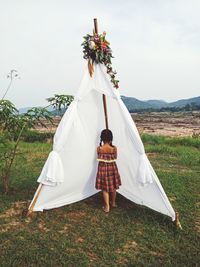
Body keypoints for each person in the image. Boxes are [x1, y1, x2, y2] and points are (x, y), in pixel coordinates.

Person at [95, 129, 122, 213]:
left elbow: (100, 157)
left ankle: (107, 206)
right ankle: (113, 202)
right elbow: (115, 157)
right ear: (111, 138)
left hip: (102, 169)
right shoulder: (114, 149)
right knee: (113, 187)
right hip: (112, 169)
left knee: (105, 189)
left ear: (102, 138)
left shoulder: (99, 149)